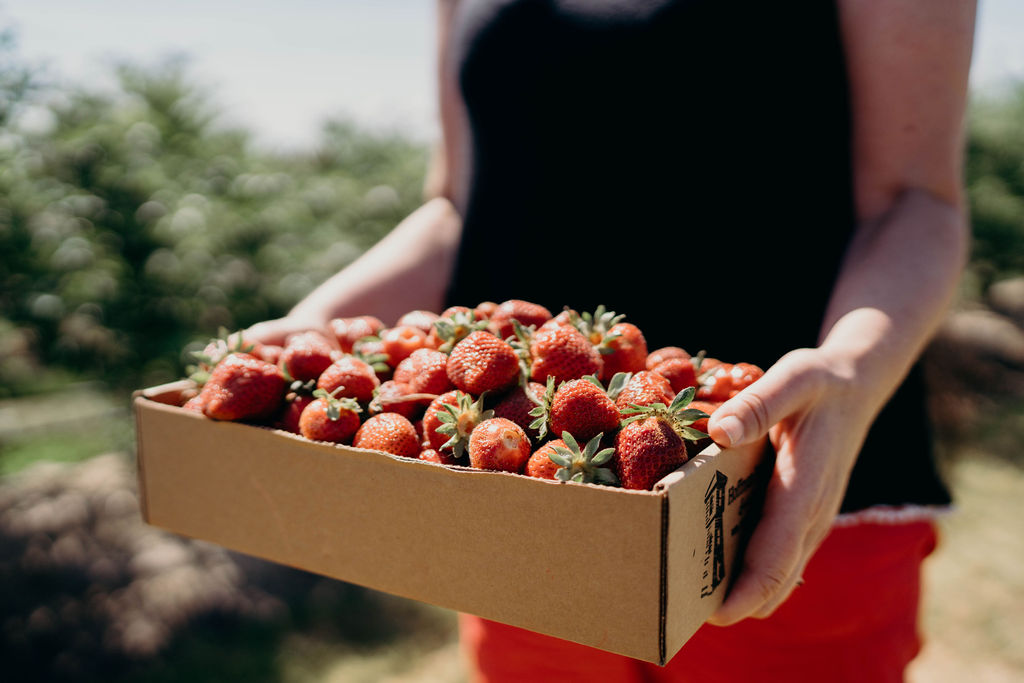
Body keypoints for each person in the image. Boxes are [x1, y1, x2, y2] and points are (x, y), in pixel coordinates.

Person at [246, 0, 977, 680]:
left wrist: (850, 369)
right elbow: (458, 208)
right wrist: (315, 324)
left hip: (782, 480)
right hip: (530, 501)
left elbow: (915, 200)